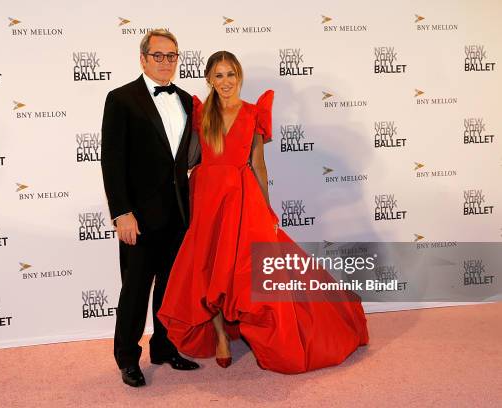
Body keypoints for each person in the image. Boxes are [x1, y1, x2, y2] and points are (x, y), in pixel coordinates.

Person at [158, 51, 369, 374]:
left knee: (249, 270)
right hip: (206, 198)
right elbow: (190, 159)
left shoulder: (254, 112)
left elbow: (258, 164)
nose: (225, 81)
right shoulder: (201, 113)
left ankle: (263, 332)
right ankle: (221, 339)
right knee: (206, 269)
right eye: (218, 75)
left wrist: (266, 208)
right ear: (209, 80)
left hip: (241, 199)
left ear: (239, 77)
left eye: (230, 74)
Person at [101, 29, 199, 388]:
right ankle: (127, 357)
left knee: (170, 289)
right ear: (143, 58)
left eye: (171, 55)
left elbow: (189, 160)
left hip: (178, 214)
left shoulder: (188, 100)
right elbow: (112, 161)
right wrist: (121, 212)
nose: (165, 62)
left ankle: (164, 347)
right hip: (138, 218)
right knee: (135, 290)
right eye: (158, 55)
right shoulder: (122, 99)